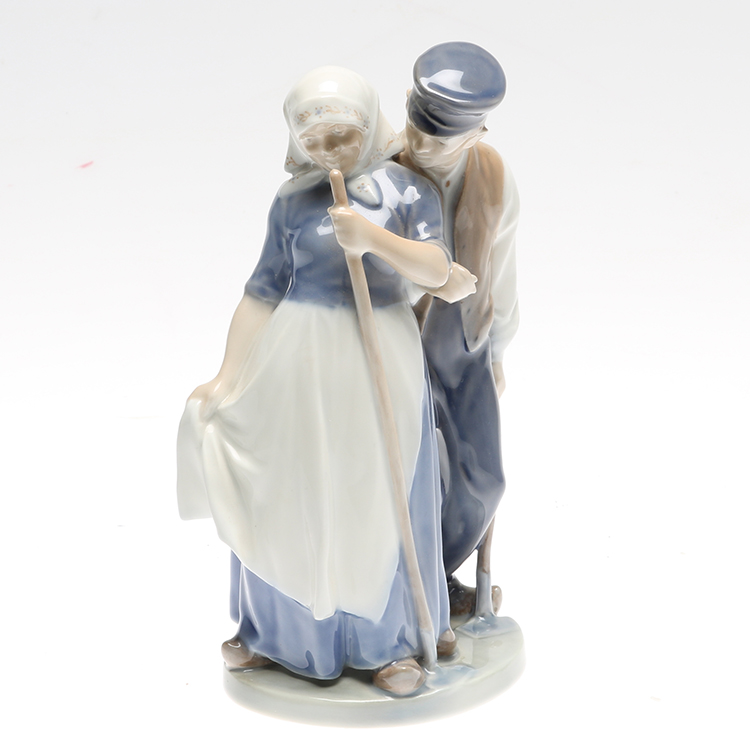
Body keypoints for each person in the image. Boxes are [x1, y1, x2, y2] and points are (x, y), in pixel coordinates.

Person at [177, 66, 474, 695]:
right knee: (293, 488)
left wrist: (370, 238)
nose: (328, 150)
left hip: (377, 354)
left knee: (370, 493)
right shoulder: (292, 201)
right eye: (313, 139)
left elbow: (437, 270)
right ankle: (277, 634)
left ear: (368, 128)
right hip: (295, 356)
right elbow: (261, 292)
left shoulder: (407, 192)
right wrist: (227, 376)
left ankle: (387, 643)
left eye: (342, 136)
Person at [397, 43, 520, 618]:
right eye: (416, 127)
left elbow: (503, 266)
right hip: (394, 336)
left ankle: (435, 574)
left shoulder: (493, 177)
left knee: (481, 478)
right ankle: (399, 591)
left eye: (440, 138)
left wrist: (497, 351)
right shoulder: (383, 170)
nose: (422, 145)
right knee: (409, 470)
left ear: (476, 134)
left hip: (462, 338)